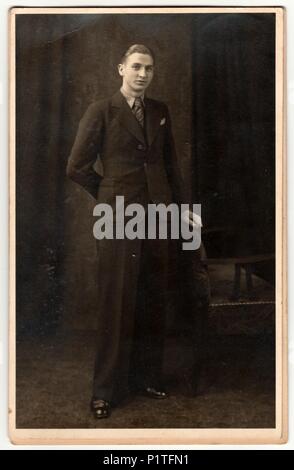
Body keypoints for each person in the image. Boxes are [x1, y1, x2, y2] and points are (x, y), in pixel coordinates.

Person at [66, 44, 202, 419]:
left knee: (152, 295)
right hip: (118, 217)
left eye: (149, 69)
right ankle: (105, 391)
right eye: (137, 67)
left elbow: (171, 165)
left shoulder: (159, 111)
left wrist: (185, 210)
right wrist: (108, 197)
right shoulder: (101, 111)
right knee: (116, 301)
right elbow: (76, 166)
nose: (143, 74)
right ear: (121, 69)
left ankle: (145, 377)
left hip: (159, 216)